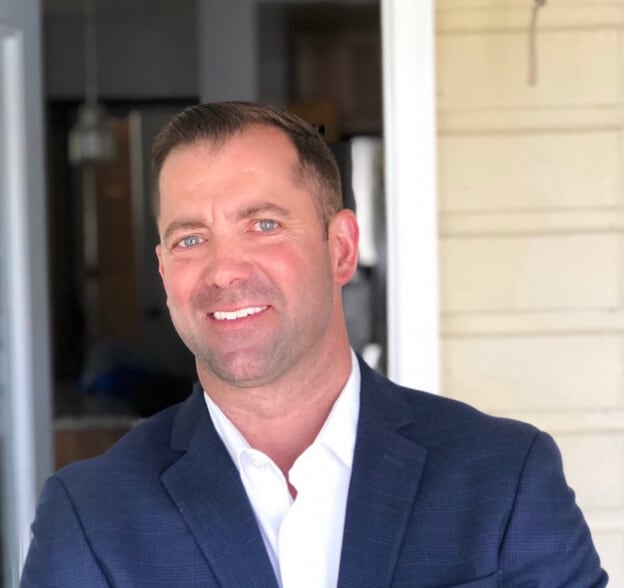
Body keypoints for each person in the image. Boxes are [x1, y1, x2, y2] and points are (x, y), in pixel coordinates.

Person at [21, 102, 607, 587]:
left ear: (341, 248)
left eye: (264, 225)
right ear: (164, 270)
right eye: (190, 239)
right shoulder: (91, 516)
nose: (224, 271)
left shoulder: (503, 477)